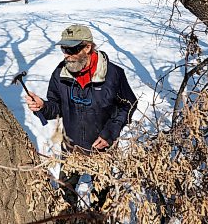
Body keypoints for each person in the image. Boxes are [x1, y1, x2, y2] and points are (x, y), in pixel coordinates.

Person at [25, 24, 137, 211]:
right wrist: (43, 106)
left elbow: (128, 105)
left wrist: (109, 133)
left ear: (87, 47)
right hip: (71, 147)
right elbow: (55, 107)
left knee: (102, 200)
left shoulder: (114, 74)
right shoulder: (60, 74)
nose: (66, 54)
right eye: (64, 49)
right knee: (65, 195)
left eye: (72, 49)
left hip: (102, 149)